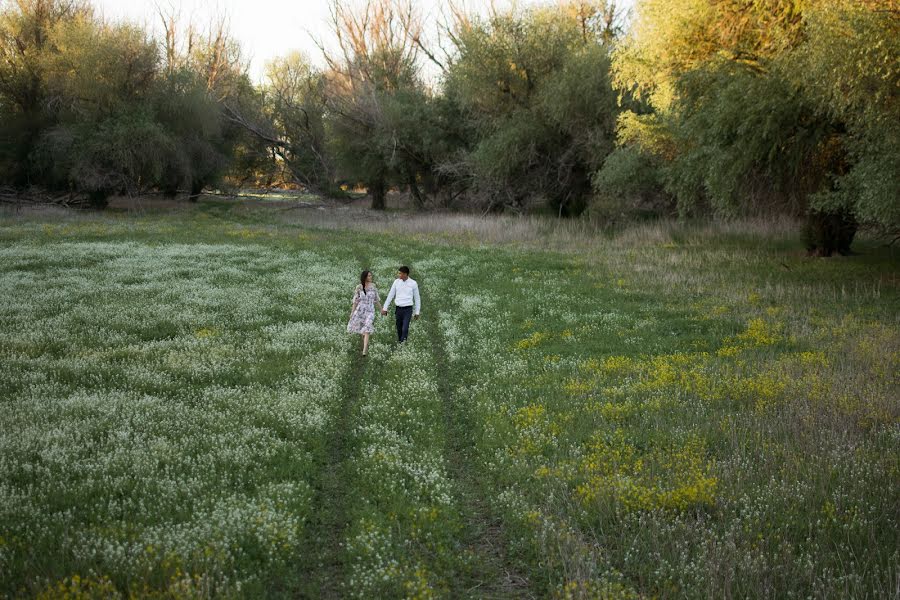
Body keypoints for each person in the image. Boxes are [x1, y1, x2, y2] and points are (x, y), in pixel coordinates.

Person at [381, 265, 420, 343]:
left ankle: (403, 343)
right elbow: (390, 295)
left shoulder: (413, 283)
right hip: (398, 309)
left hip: (408, 309)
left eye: (400, 273)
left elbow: (417, 298)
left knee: (405, 328)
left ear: (405, 274)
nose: (399, 275)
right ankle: (400, 341)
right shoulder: (396, 282)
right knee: (399, 328)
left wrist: (417, 312)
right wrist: (385, 308)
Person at [347, 270, 381, 356]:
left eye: (371, 276)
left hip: (370, 310)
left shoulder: (373, 286)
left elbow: (376, 300)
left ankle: (364, 349)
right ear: (365, 277)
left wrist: (381, 309)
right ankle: (364, 344)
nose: (371, 277)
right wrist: (352, 312)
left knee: (368, 328)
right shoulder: (359, 287)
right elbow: (355, 301)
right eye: (369, 276)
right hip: (360, 310)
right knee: (363, 329)